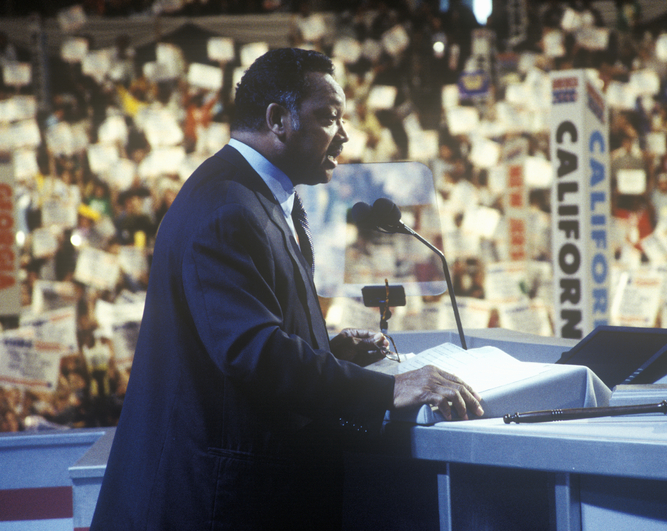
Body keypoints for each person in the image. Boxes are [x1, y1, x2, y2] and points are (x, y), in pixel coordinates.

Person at [89, 47, 483, 530]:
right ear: (278, 119)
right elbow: (252, 353)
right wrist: (393, 387)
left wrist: (328, 350)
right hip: (212, 503)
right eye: (328, 118)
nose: (344, 135)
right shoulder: (226, 207)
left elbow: (244, 336)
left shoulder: (255, 195)